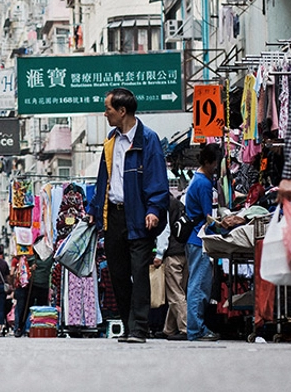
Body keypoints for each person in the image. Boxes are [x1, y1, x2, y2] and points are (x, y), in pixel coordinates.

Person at [88, 87, 169, 344]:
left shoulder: (149, 140)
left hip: (140, 216)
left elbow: (157, 177)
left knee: (139, 271)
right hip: (113, 216)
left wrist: (154, 210)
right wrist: (94, 210)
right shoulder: (111, 142)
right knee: (118, 274)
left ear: (122, 111)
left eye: (108, 109)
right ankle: (128, 324)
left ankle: (139, 329)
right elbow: (104, 180)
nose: (105, 114)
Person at [185, 143, 221, 342]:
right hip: (200, 239)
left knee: (197, 284)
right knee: (199, 285)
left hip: (193, 238)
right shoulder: (204, 184)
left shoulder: (197, 180)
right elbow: (209, 217)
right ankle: (196, 329)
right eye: (215, 162)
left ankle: (196, 327)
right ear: (208, 162)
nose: (217, 166)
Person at [158, 194, 188, 340]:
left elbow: (165, 230)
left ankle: (186, 327)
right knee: (178, 292)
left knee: (175, 293)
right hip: (184, 251)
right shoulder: (178, 203)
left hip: (172, 253)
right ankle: (169, 329)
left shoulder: (164, 204)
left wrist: (159, 254)